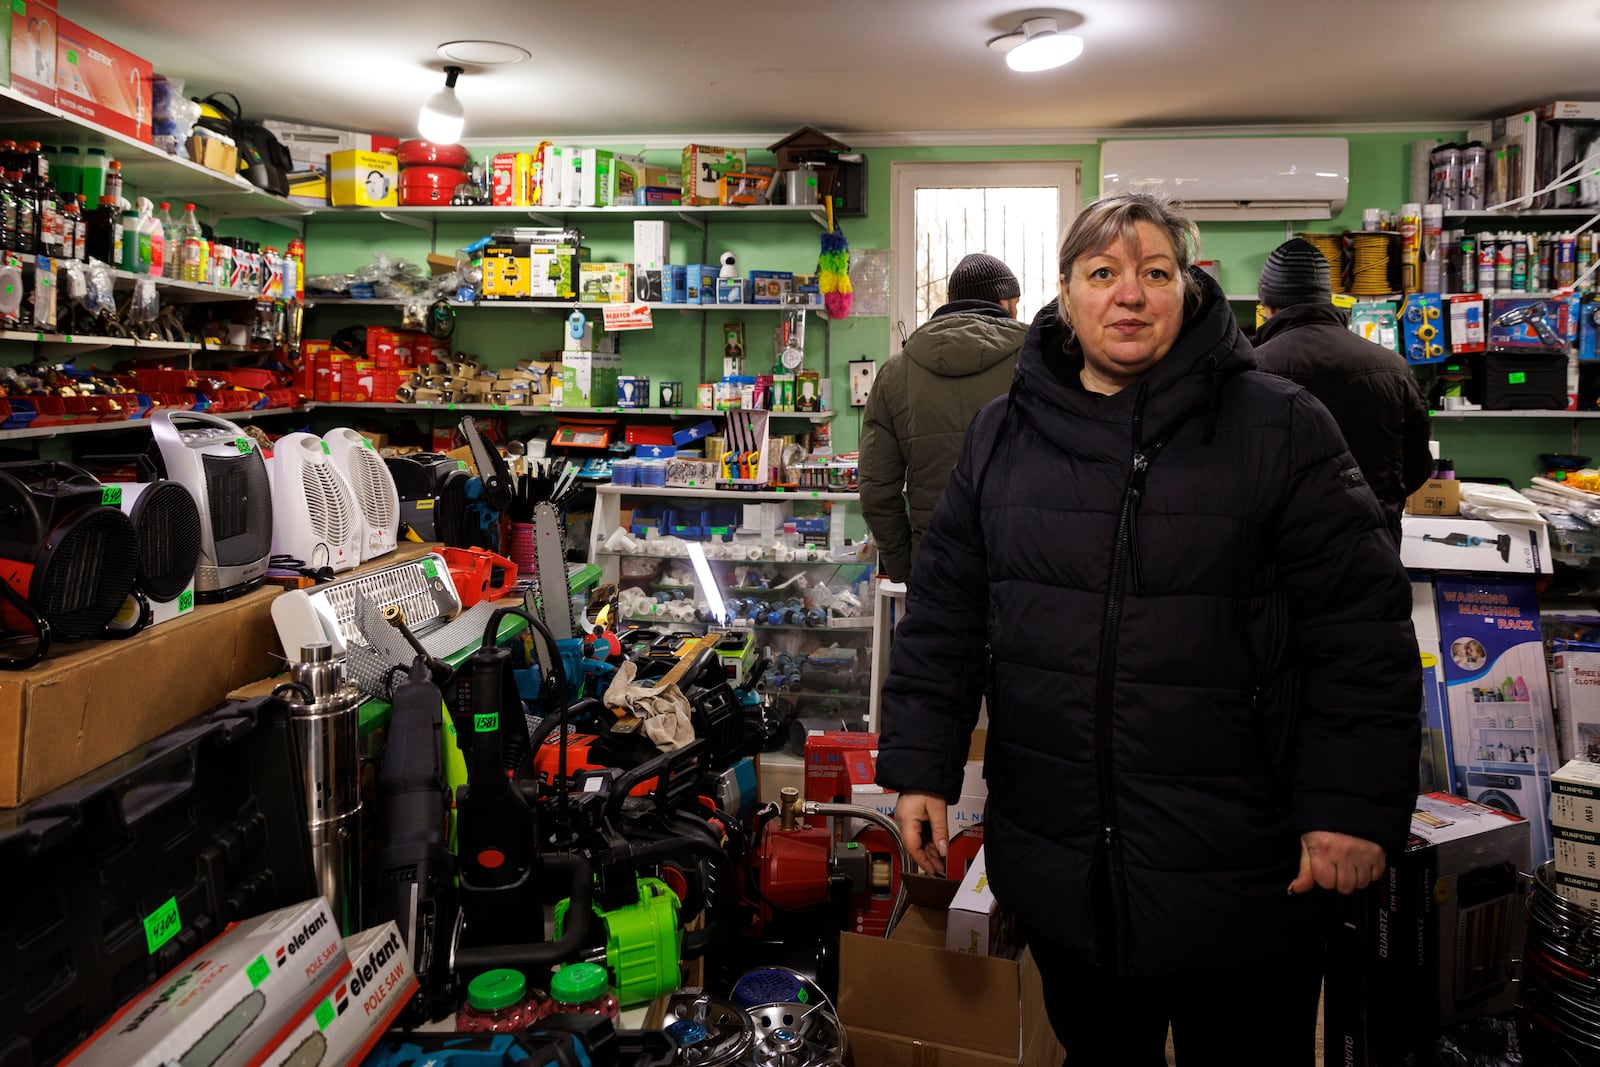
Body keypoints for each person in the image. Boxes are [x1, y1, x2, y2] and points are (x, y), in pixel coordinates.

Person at [874, 193, 1420, 1065]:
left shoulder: (1281, 426)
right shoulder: (1002, 435)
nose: (1128, 294)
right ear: (1066, 293)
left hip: (1249, 880)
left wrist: (1351, 807)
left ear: (1188, 290)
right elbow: (945, 613)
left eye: (1153, 273)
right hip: (1069, 875)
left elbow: (1362, 634)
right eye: (1103, 273)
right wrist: (918, 768)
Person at [1253, 237, 1433, 544]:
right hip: (1372, 546)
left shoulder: (1250, 369)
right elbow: (1417, 465)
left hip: (1281, 550)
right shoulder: (1393, 367)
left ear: (1268, 306)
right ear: (1328, 299)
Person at [859, 252, 1026, 582]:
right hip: (1024, 562)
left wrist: (904, 566)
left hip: (935, 563)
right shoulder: (1036, 359)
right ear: (1004, 301)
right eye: (1017, 304)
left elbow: (876, 491)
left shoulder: (895, 372)